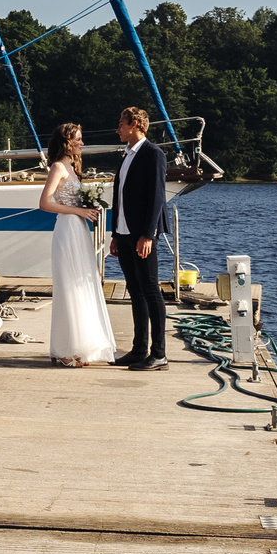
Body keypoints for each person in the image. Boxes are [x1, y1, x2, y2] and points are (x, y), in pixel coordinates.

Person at [37, 122, 114, 366]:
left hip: (79, 230)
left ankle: (79, 347)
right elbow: (45, 204)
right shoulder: (58, 167)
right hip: (67, 230)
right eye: (78, 139)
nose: (82, 143)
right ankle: (63, 351)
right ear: (67, 143)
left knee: (82, 284)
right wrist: (78, 211)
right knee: (68, 286)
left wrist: (87, 210)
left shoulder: (73, 168)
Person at [110, 105, 170, 371]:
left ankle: (159, 354)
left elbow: (157, 196)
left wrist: (148, 234)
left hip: (142, 234)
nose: (117, 129)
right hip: (124, 233)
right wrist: (114, 234)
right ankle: (138, 349)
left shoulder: (152, 154)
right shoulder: (126, 155)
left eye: (121, 124)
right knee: (134, 291)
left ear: (135, 124)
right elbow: (120, 197)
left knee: (150, 288)